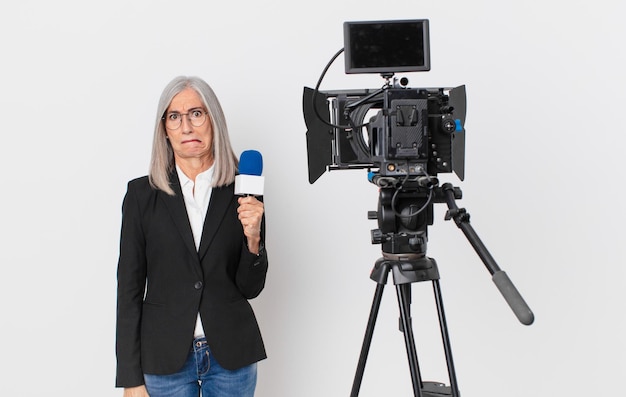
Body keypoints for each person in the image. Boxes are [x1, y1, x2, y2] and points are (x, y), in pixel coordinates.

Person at [115, 76, 268, 397]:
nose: (186, 127)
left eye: (196, 113)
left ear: (214, 120)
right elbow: (128, 291)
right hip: (163, 358)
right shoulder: (142, 195)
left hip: (231, 356)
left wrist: (253, 239)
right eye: (175, 117)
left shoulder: (244, 187)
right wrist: (131, 378)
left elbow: (250, 288)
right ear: (164, 130)